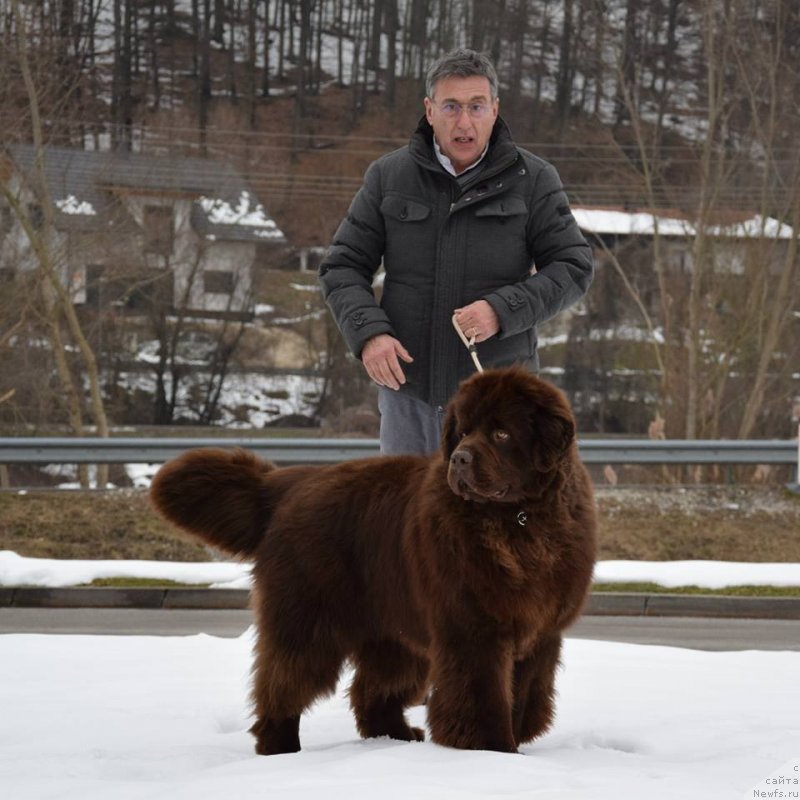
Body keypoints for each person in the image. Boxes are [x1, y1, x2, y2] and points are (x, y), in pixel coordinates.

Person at [319, 49, 593, 455]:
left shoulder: (534, 180)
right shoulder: (388, 176)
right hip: (407, 397)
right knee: (407, 517)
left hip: (500, 406)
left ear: (495, 110)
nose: (464, 122)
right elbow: (341, 266)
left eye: (476, 106)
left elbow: (574, 266)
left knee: (499, 518)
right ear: (429, 111)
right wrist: (370, 335)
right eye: (451, 106)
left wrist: (502, 310)